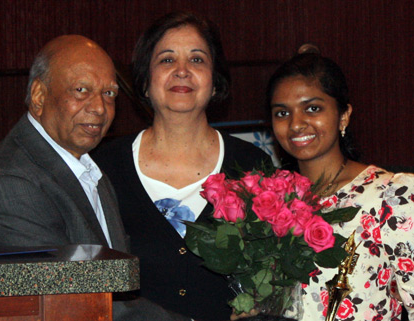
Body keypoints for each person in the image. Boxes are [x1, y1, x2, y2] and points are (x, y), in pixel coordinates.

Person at [0, 35, 187, 321]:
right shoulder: (12, 186)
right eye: (81, 90)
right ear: (39, 96)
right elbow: (70, 306)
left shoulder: (85, 166)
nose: (99, 108)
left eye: (109, 94)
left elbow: (116, 288)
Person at [92, 12, 271, 321]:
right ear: (145, 82)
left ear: (215, 81)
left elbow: (273, 272)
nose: (182, 71)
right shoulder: (103, 168)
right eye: (166, 60)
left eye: (197, 60)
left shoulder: (252, 166)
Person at [265, 45, 414, 320]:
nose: (296, 124)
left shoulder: (392, 196)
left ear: (343, 115)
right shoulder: (268, 204)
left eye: (312, 108)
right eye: (282, 113)